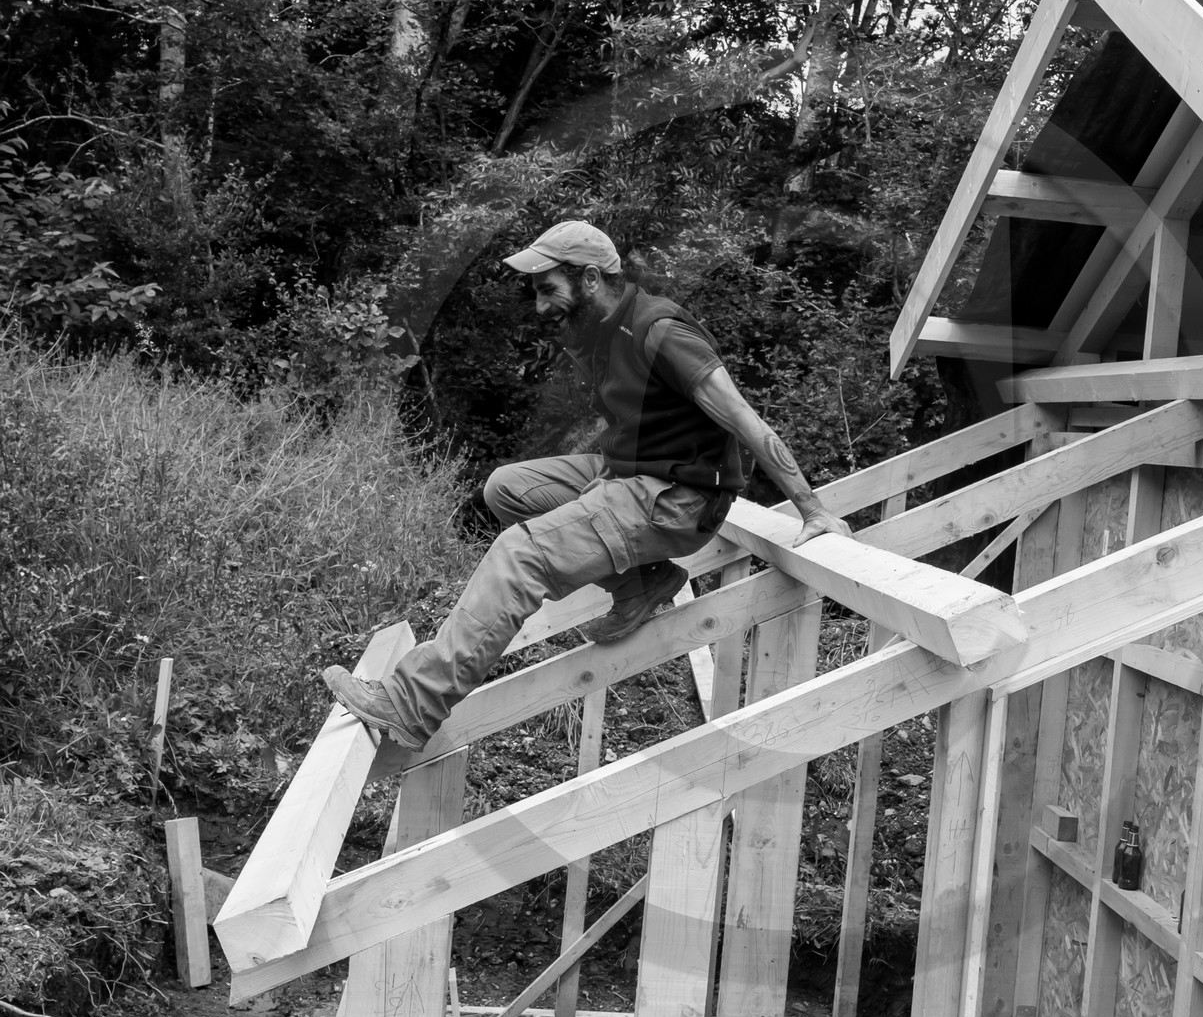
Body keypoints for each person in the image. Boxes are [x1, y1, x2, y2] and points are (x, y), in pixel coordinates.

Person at [323, 219, 852, 750]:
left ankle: (414, 704)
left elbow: (744, 419)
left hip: (679, 499)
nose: (540, 306)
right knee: (507, 488)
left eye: (548, 288)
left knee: (522, 554)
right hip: (630, 475)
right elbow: (636, 420)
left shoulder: (662, 332)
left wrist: (813, 510)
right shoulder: (599, 334)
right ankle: (640, 585)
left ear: (592, 279)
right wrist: (604, 478)